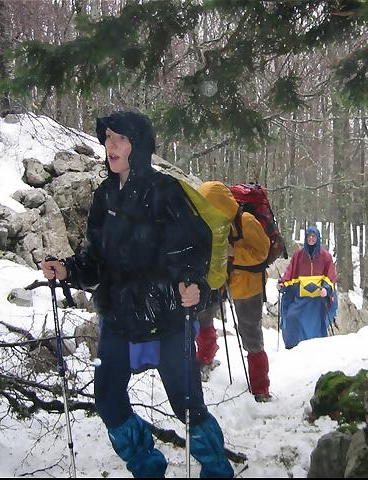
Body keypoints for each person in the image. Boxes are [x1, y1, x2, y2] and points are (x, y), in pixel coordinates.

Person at [39, 111, 233, 478]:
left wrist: (192, 283)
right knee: (108, 400)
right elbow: (95, 259)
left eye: (120, 139)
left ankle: (217, 469)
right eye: (107, 138)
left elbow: (194, 248)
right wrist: (68, 270)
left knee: (187, 405)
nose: (110, 146)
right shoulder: (105, 195)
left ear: (138, 145)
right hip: (118, 314)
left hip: (167, 315)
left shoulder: (166, 191)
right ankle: (147, 467)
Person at [194, 181, 272, 403]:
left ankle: (260, 386)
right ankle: (205, 358)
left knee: (250, 332)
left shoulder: (246, 221)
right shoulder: (212, 223)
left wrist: (233, 252)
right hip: (220, 279)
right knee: (204, 316)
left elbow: (262, 253)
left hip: (248, 284)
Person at [277, 226, 338, 349]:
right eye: (309, 236)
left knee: (318, 323)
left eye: (313, 236)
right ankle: (294, 347)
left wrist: (326, 289)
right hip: (301, 299)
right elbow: (290, 272)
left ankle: (316, 348)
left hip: (318, 300)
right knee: (292, 317)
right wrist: (283, 283)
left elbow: (330, 276)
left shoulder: (326, 257)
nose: (311, 238)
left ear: (318, 238)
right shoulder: (298, 256)